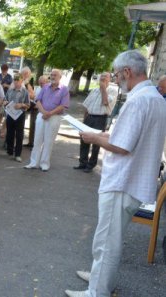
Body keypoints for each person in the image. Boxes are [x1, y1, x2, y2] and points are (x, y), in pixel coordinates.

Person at [65, 50, 166, 297]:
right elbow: (127, 137)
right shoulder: (154, 97)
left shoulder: (138, 100)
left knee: (108, 240)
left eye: (117, 73)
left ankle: (97, 291)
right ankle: (100, 277)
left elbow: (122, 145)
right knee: (109, 236)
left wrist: (92, 137)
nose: (116, 78)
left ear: (127, 72)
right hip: (132, 180)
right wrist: (100, 135)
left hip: (123, 180)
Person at [24, 69, 69, 171]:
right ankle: (33, 162)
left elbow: (63, 105)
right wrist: (44, 112)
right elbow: (38, 100)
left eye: (55, 75)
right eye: (51, 75)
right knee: (37, 140)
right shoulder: (45, 87)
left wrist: (50, 113)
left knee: (48, 141)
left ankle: (44, 164)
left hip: (54, 117)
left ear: (60, 77)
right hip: (42, 115)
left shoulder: (64, 89)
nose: (52, 77)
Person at [73, 72, 117, 173]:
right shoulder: (94, 90)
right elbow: (87, 106)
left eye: (105, 77)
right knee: (84, 139)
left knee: (96, 142)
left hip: (100, 118)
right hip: (89, 117)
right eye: (101, 76)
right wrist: (84, 119)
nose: (103, 78)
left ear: (109, 79)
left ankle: (91, 164)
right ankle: (82, 162)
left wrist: (103, 89)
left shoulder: (112, 91)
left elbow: (105, 102)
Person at [5, 74, 30, 162]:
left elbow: (28, 105)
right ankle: (10, 150)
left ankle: (18, 154)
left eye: (18, 81)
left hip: (20, 115)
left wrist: (21, 105)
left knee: (19, 135)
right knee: (9, 133)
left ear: (21, 82)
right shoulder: (10, 90)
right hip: (10, 114)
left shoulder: (25, 92)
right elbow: (5, 100)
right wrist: (5, 102)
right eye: (15, 82)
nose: (16, 83)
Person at [21, 66, 36, 148]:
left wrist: (25, 94)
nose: (26, 75)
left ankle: (17, 143)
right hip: (15, 107)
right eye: (25, 73)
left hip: (24, 107)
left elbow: (33, 96)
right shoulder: (17, 81)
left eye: (27, 74)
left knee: (20, 126)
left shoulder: (27, 84)